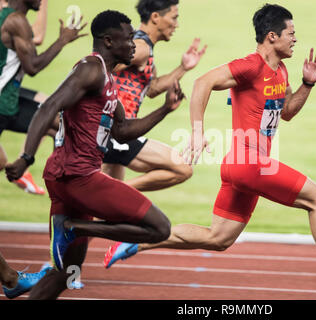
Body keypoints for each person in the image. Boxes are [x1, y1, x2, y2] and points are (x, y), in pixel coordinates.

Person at [103, 4, 316, 295]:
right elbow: (203, 82)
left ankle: (137, 240)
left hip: (245, 166)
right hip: (249, 163)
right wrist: (198, 133)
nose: (295, 39)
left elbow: (287, 112)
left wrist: (307, 84)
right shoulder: (251, 65)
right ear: (272, 36)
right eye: (291, 33)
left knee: (218, 238)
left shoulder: (282, 71)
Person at [5, 9, 184, 300]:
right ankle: (74, 227)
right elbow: (48, 107)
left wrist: (165, 109)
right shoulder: (90, 68)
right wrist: (26, 157)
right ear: (109, 41)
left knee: (65, 274)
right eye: (129, 40)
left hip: (71, 177)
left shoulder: (107, 79)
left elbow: (123, 130)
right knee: (160, 227)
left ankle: (72, 229)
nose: (134, 46)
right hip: (78, 177)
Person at [102, 0, 206, 191]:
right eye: (174, 18)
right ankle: (118, 192)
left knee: (103, 208)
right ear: (156, 17)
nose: (176, 24)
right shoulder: (140, 47)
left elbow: (151, 89)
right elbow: (102, 67)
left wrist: (183, 68)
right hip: (113, 129)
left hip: (119, 130)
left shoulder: (143, 47)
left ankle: (113, 193)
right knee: (182, 168)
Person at [0, 0, 83, 193]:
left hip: (9, 102)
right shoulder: (16, 21)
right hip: (3, 105)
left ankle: (62, 192)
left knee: (58, 124)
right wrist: (63, 40)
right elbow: (33, 67)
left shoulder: (9, 17)